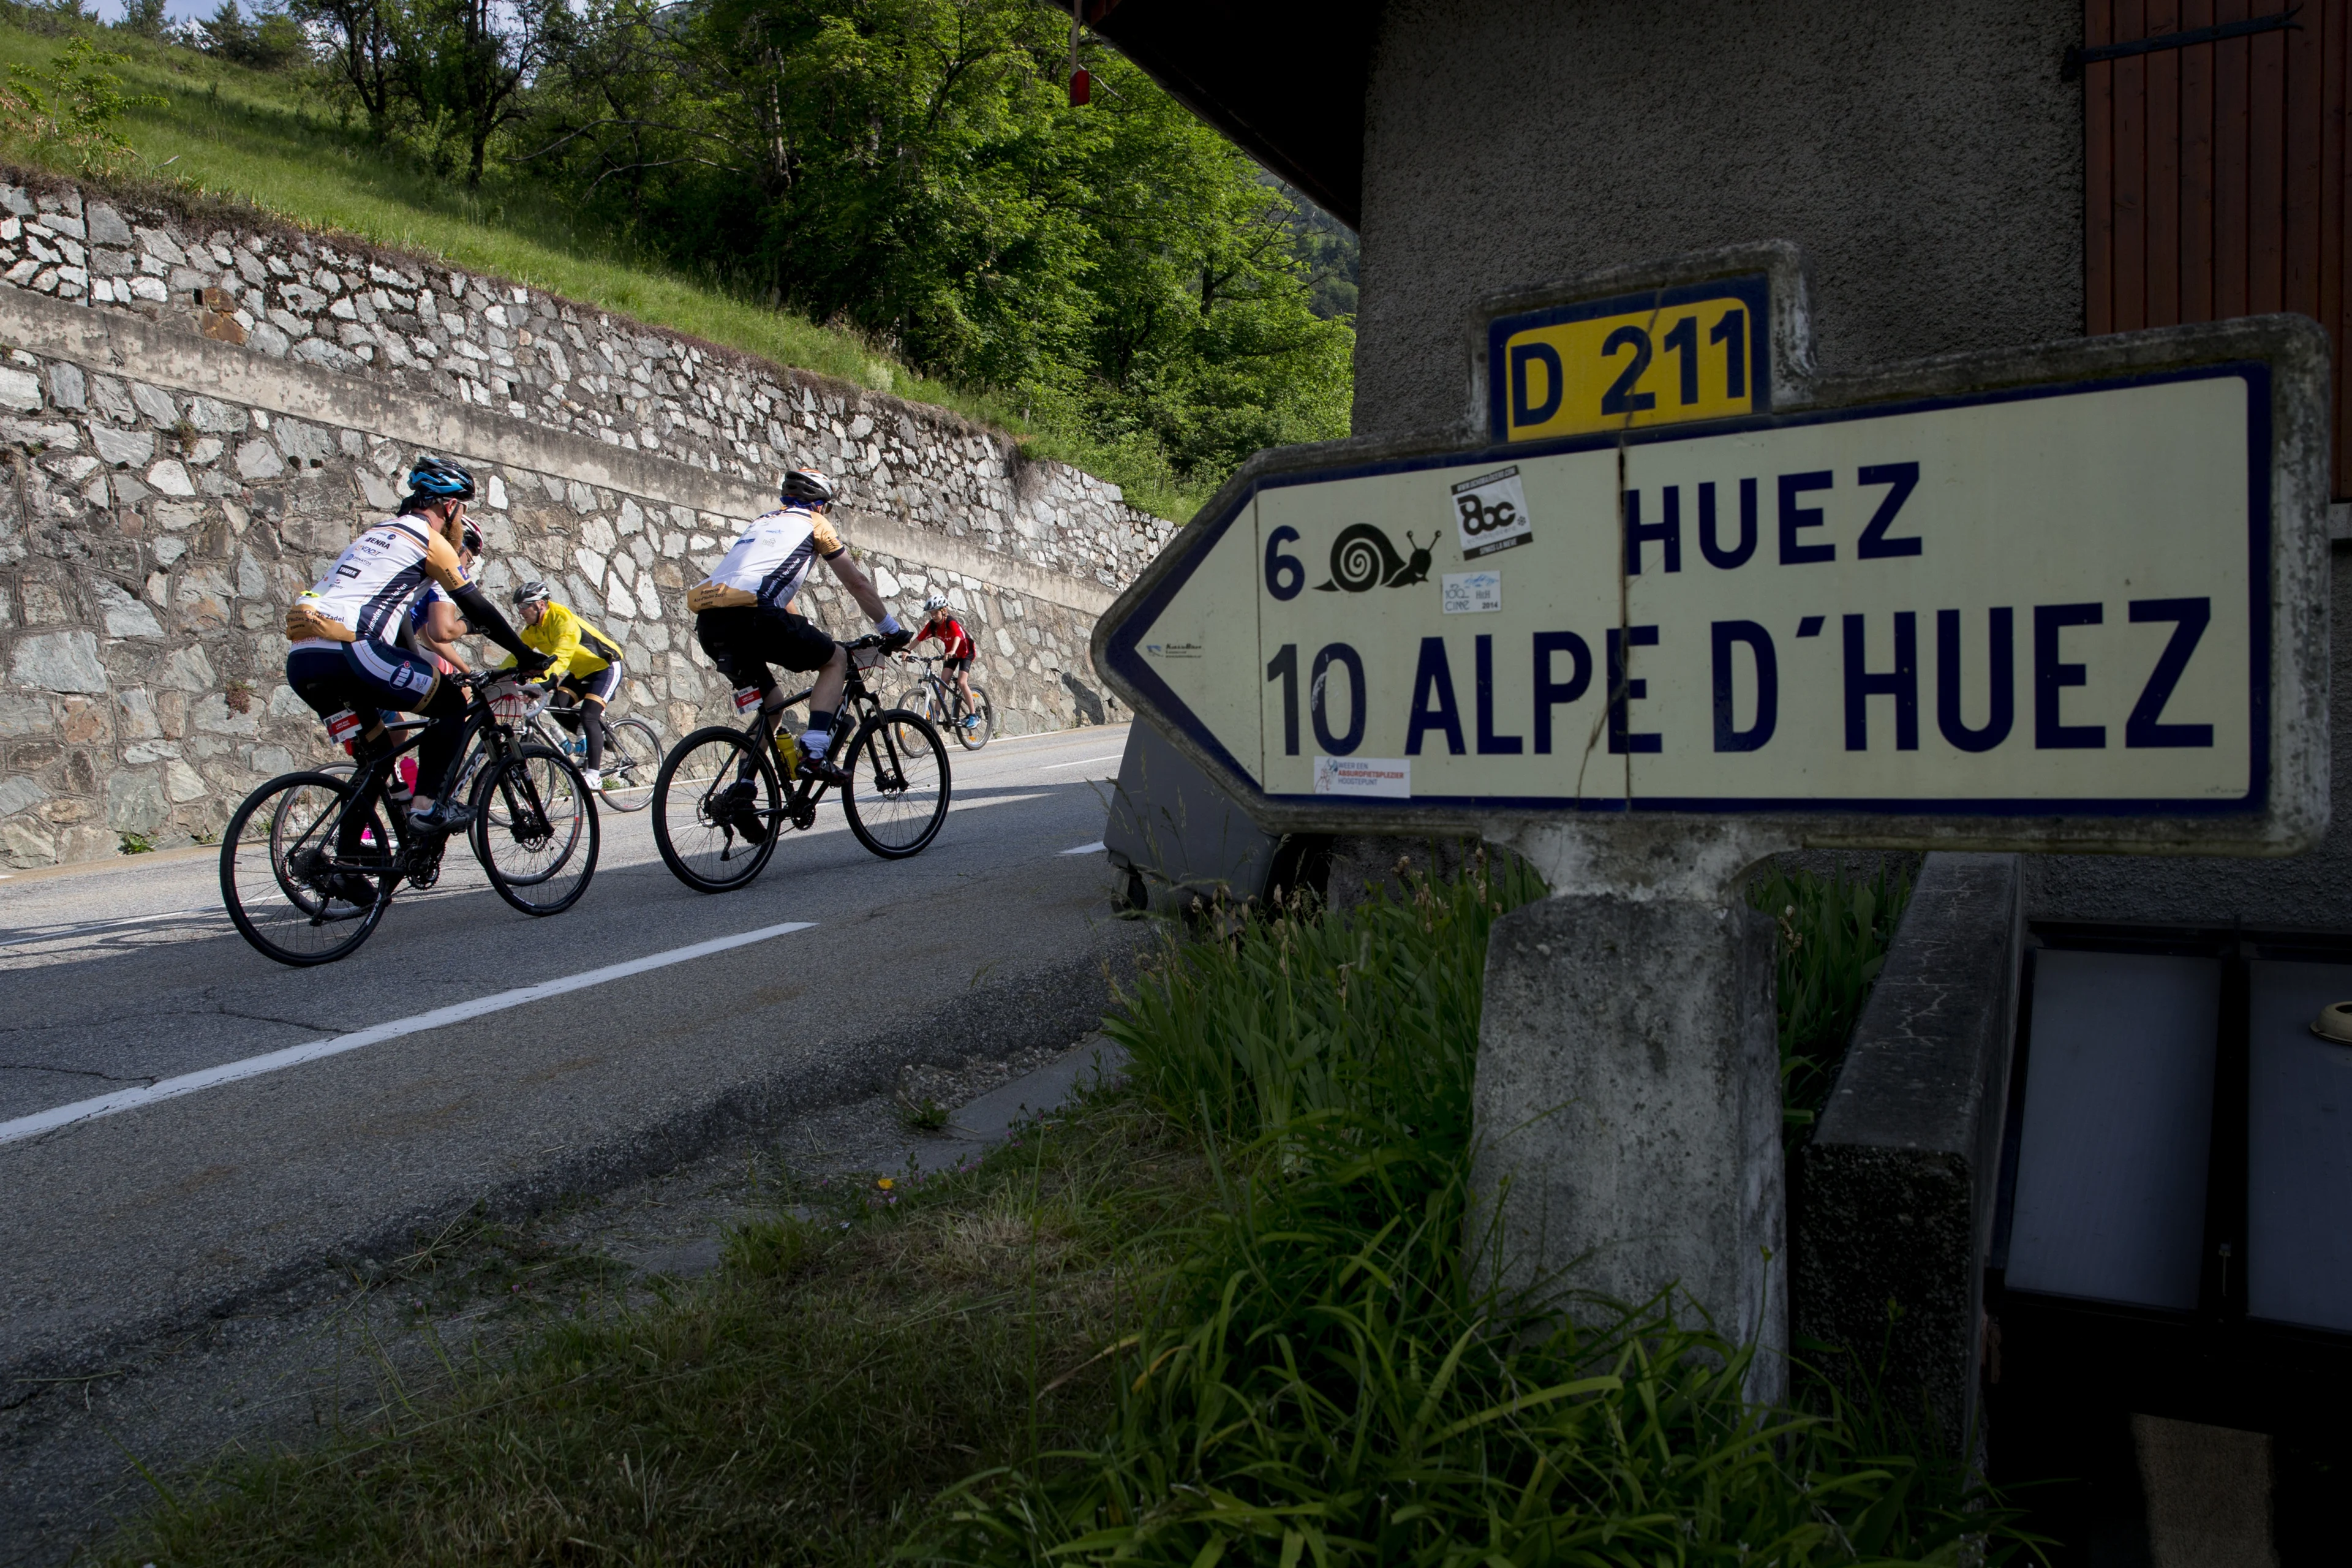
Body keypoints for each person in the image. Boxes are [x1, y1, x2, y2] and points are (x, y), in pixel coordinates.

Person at [284, 455, 549, 834]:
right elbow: (479, 609)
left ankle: (346, 866)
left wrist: (412, 667)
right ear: (451, 505)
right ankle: (426, 808)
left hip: (303, 658)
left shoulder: (376, 534)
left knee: (375, 761)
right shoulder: (430, 541)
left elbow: (401, 621)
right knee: (451, 706)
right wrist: (526, 657)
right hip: (350, 649)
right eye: (462, 509)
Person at [688, 467, 910, 783]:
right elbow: (857, 582)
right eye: (828, 506)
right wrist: (889, 627)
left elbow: (774, 589)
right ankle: (815, 755)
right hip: (756, 616)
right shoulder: (814, 523)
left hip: (710, 620)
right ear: (820, 503)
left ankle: (742, 789)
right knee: (835, 660)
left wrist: (808, 630)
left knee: (773, 705)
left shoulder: (761, 522)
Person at [499, 580, 627, 791]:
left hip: (605, 667)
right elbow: (517, 657)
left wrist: (539, 684)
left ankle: (594, 775)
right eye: (518, 607)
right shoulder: (533, 630)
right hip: (580, 672)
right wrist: (501, 678)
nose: (520, 611)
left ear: (540, 604)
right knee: (558, 706)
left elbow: (562, 655)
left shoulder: (562, 619)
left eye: (523, 606)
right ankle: (590, 738)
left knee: (588, 715)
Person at [911, 592, 982, 734]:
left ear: (944, 611)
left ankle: (974, 715)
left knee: (962, 682)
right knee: (943, 681)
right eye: (931, 613)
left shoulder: (950, 622)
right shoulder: (932, 626)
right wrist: (907, 651)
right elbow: (919, 638)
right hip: (951, 653)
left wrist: (952, 651)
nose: (933, 616)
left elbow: (957, 636)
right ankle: (936, 713)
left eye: (936, 613)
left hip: (965, 651)